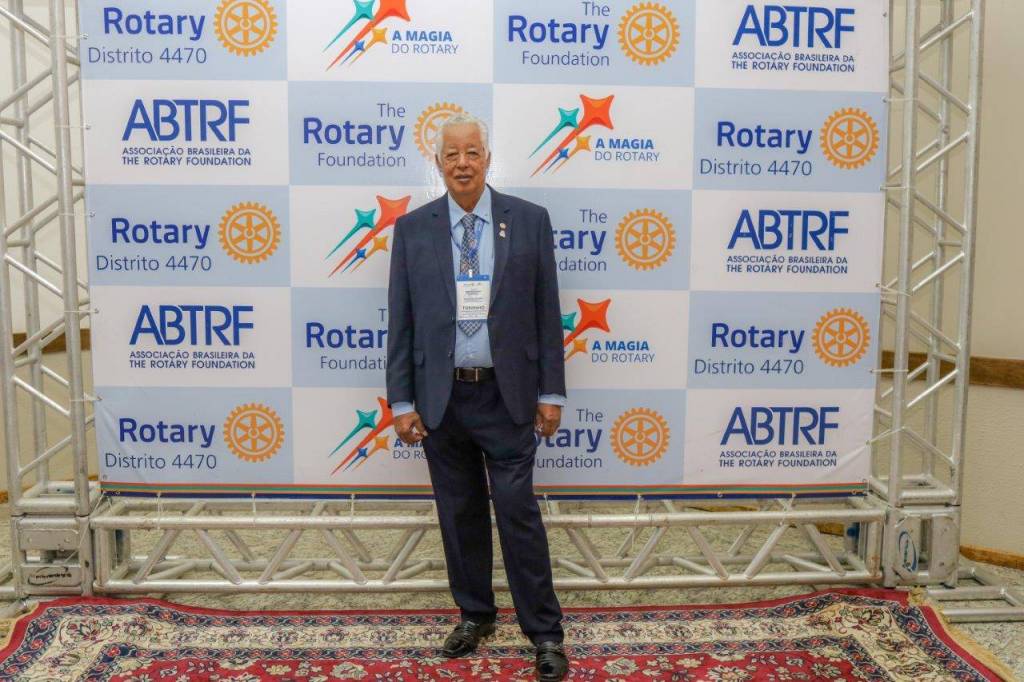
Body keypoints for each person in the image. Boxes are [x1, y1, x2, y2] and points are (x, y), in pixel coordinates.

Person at [385, 113, 570, 681]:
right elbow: (402, 321)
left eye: (472, 153)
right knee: (459, 514)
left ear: (487, 159)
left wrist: (551, 391)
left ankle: (544, 633)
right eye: (451, 154)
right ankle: (475, 615)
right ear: (438, 163)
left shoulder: (529, 220)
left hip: (507, 396)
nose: (462, 163)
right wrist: (401, 402)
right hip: (441, 401)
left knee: (518, 515)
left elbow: (546, 311)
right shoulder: (412, 229)